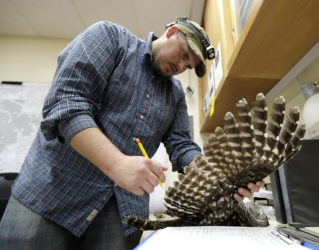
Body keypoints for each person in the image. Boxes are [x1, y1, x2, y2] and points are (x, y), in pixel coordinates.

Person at [0, 18, 264, 249]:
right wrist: (116, 164)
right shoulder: (109, 39)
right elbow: (67, 104)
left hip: (120, 213)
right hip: (51, 194)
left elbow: (181, 145)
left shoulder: (175, 95)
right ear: (171, 32)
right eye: (183, 54)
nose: (182, 66)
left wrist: (215, 173)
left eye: (189, 65)